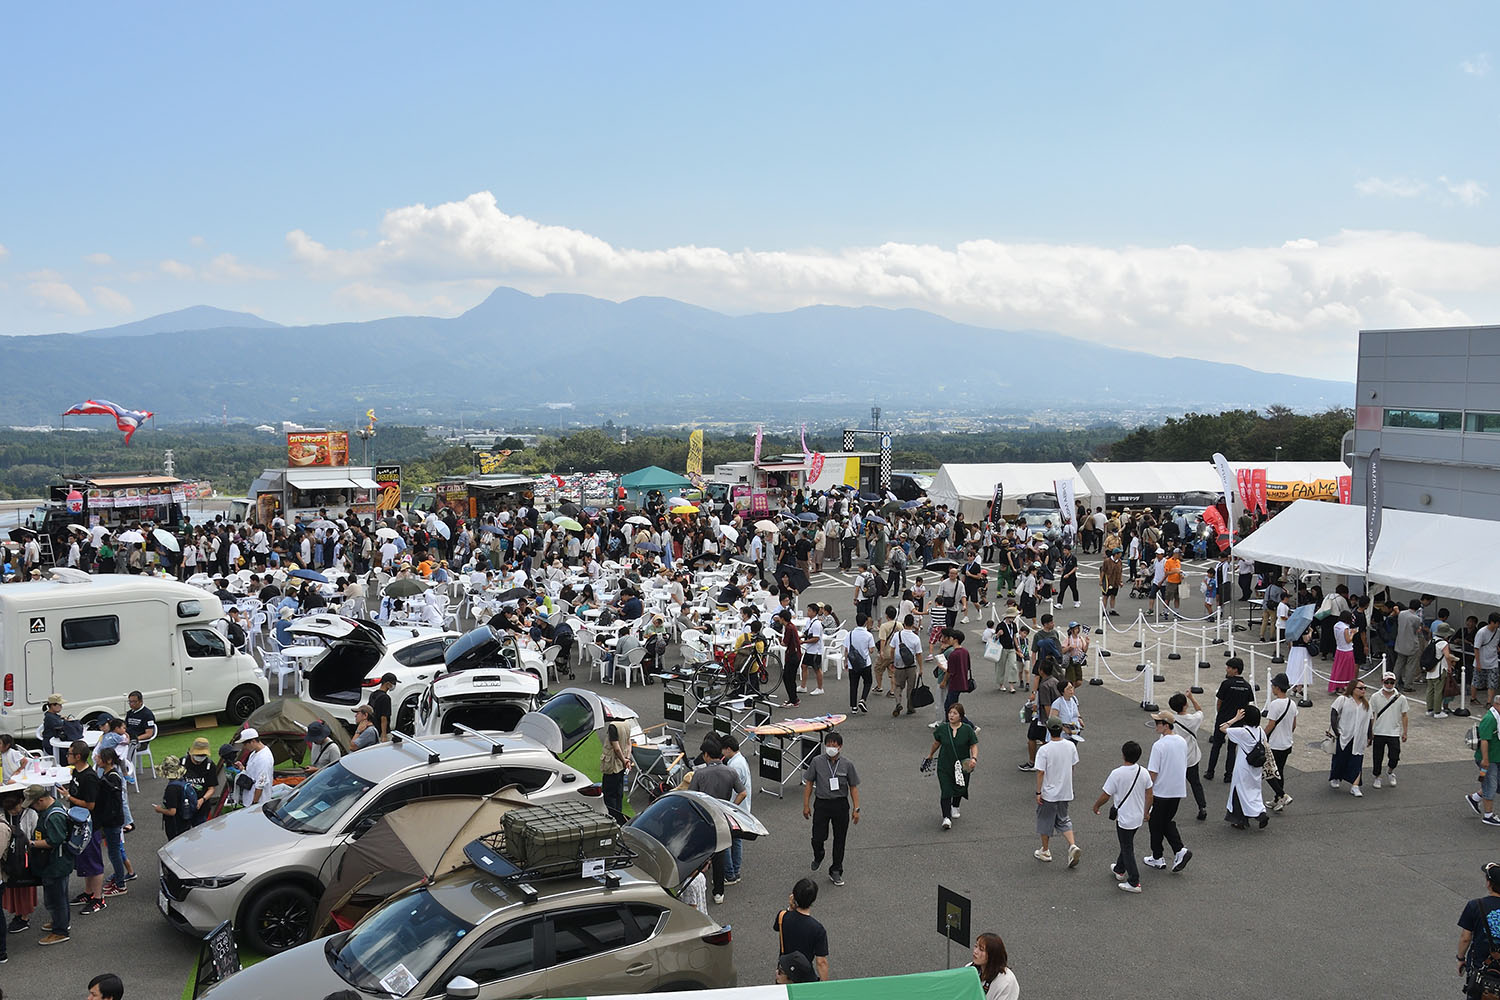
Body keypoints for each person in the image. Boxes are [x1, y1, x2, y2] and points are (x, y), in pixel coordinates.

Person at [682, 736, 745, 905]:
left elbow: (691, 797)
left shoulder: (700, 774)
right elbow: (743, 792)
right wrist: (731, 807)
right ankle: (719, 892)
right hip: (721, 816)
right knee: (719, 853)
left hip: (703, 817)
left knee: (699, 852)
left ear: (707, 755)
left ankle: (696, 887)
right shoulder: (730, 771)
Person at [802, 731, 860, 887]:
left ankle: (836, 870)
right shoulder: (817, 762)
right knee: (817, 837)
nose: (830, 748)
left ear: (840, 747)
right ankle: (819, 854)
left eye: (834, 745)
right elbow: (808, 783)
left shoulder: (847, 764)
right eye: (828, 745)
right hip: (822, 803)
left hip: (840, 805)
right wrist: (806, 805)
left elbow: (853, 787)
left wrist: (856, 808)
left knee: (840, 839)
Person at [1094, 740, 1152, 893]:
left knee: (1127, 848)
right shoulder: (1143, 772)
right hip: (1138, 817)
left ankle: (1134, 881)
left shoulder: (1117, 773)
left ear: (1123, 754)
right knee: (1126, 843)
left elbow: (1106, 795)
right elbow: (1149, 794)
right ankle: (1120, 869)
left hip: (1125, 818)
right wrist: (1146, 812)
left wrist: (1096, 806)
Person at [1144, 710, 1192, 874]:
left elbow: (1153, 772)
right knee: (1164, 822)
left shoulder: (1159, 745)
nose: (1156, 725)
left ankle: (1163, 855)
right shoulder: (1181, 741)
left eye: (1158, 723)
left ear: (1166, 725)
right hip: (1177, 790)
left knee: (1155, 823)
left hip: (1161, 791)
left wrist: (1147, 790)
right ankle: (1172, 853)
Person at [25, 783, 72, 946]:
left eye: (33, 803)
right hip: (55, 863)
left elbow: (54, 841)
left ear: (42, 799)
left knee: (56, 898)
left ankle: (60, 931)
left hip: (55, 864)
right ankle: (60, 922)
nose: (32, 807)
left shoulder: (54, 816)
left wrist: (31, 844)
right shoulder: (53, 809)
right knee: (59, 896)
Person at [1033, 716, 1082, 867]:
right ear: (1061, 729)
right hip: (1065, 790)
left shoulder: (1044, 750)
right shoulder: (1070, 746)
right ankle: (1072, 845)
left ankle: (1045, 850)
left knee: (1045, 820)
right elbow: (1073, 766)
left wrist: (1038, 792)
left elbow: (1040, 772)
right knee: (1063, 818)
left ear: (1048, 730)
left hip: (1049, 792)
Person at [925, 702, 979, 830]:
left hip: (962, 765)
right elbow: (936, 743)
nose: (951, 715)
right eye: (950, 713)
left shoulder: (967, 730)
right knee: (946, 790)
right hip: (945, 764)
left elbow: (973, 745)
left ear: (961, 716)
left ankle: (955, 805)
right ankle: (946, 817)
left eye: (955, 713)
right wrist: (930, 755)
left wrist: (974, 758)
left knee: (960, 786)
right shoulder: (943, 729)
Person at [1205, 657, 1254, 783]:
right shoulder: (1247, 686)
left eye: (1229, 668)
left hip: (1223, 719)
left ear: (1235, 670)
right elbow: (1247, 704)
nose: (1227, 670)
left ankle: (1210, 771)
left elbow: (1219, 701)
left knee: (1216, 746)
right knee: (1232, 749)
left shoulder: (1226, 684)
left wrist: (1221, 714)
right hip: (1239, 721)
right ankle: (1228, 775)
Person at [1220, 705, 1269, 829]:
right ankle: (1260, 812)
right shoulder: (1260, 731)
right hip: (1256, 766)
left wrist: (1235, 719)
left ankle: (1239, 820)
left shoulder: (1242, 732)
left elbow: (1222, 728)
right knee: (1254, 792)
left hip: (1243, 767)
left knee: (1238, 792)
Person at [773, 878, 829, 982]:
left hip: (785, 971)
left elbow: (777, 927)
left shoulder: (782, 916)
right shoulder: (818, 929)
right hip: (804, 974)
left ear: (793, 896)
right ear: (813, 899)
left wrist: (790, 907)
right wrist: (824, 987)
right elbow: (821, 962)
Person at [1459, 862, 1500, 996]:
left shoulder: (1475, 905)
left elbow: (1466, 938)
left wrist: (1460, 959)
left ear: (1489, 883)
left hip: (1480, 967)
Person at [1261, 674, 1298, 812]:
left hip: (1275, 744)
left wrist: (1262, 736)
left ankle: (1282, 795)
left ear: (1277, 687)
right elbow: (1294, 725)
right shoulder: (1292, 704)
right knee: (1279, 771)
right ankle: (1278, 799)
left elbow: (1271, 724)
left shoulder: (1275, 704)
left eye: (1273, 686)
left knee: (1269, 772)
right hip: (1287, 743)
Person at [1328, 680, 1372, 796]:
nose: (1363, 690)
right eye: (1360, 688)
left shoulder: (1366, 705)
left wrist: (1369, 735)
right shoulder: (1343, 700)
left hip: (1359, 737)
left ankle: (1355, 785)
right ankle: (1336, 777)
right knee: (1340, 758)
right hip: (1345, 735)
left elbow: (1369, 720)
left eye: (1364, 688)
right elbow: (1334, 713)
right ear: (1353, 689)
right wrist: (1336, 731)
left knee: (1357, 761)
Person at [95, 747, 128, 898]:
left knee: (114, 853)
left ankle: (120, 884)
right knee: (114, 852)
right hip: (111, 820)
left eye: (100, 758)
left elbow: (113, 801)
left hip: (112, 821)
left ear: (108, 760)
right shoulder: (107, 774)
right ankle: (118, 878)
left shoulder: (112, 777)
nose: (97, 759)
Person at [3, 791, 38, 934]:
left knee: (25, 886)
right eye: (10, 809)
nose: (13, 811)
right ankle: (17, 914)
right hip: (10, 856)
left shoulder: (31, 814)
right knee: (11, 887)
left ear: (21, 802)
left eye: (15, 807)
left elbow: (35, 832)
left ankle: (24, 917)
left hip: (25, 855)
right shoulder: (5, 815)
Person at [1368, 672, 1409, 790]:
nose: (1389, 685)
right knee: (1377, 756)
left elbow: (1404, 715)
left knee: (1395, 755)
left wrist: (1405, 732)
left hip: (1394, 732)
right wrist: (1370, 732)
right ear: (1382, 682)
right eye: (1387, 682)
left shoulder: (1401, 698)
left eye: (1391, 682)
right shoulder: (1375, 697)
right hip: (1379, 731)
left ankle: (1390, 771)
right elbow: (1372, 715)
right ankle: (1377, 776)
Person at [1470, 695, 1500, 827]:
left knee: (1495, 783)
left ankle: (1475, 798)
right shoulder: (1490, 719)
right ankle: (1488, 815)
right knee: (1490, 784)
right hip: (1489, 759)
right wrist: (1485, 759)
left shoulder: (1496, 717)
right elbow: (1484, 740)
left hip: (1496, 758)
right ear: (1497, 705)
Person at [152, 756, 197, 840]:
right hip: (184, 821)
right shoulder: (182, 781)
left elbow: (172, 811)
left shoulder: (171, 789)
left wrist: (159, 809)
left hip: (175, 824)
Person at [970, 932, 1020, 1000]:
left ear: (992, 955)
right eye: (975, 946)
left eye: (981, 949)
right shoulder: (970, 969)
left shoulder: (1006, 982)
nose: (975, 951)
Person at [891, 615, 923, 717]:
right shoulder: (916, 638)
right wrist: (921, 667)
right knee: (910, 688)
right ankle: (910, 707)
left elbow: (892, 649)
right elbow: (918, 654)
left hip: (899, 665)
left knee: (898, 686)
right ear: (913, 624)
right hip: (911, 665)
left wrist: (893, 661)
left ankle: (898, 703)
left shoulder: (897, 635)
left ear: (904, 623)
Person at [600, 717, 631, 825]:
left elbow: (616, 748)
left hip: (613, 764)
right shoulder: (627, 724)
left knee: (609, 794)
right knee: (619, 792)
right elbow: (628, 743)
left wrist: (623, 760)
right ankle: (620, 817)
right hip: (622, 765)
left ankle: (612, 819)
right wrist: (627, 759)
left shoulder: (613, 726)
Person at [844, 614, 876, 714]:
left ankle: (853, 707)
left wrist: (845, 661)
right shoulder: (868, 635)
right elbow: (871, 650)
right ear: (866, 622)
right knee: (868, 681)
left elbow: (846, 650)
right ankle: (863, 699)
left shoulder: (849, 634)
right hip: (865, 663)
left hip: (852, 664)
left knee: (853, 684)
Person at [235, 728, 275, 807]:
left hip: (259, 802)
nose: (244, 747)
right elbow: (252, 774)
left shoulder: (264, 758)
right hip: (249, 798)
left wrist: (254, 803)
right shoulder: (253, 753)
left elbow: (260, 784)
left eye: (245, 744)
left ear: (253, 741)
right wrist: (242, 769)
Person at [777, 609, 804, 709]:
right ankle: (793, 698)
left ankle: (793, 699)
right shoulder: (791, 626)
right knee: (790, 677)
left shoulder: (788, 628)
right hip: (796, 654)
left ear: (782, 618)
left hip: (792, 656)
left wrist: (779, 640)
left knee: (788, 677)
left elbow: (785, 643)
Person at [367, 672, 397, 740]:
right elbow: (384, 717)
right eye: (394, 683)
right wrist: (384, 735)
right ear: (387, 684)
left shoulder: (373, 694)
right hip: (381, 731)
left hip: (374, 729)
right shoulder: (385, 698)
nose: (394, 685)